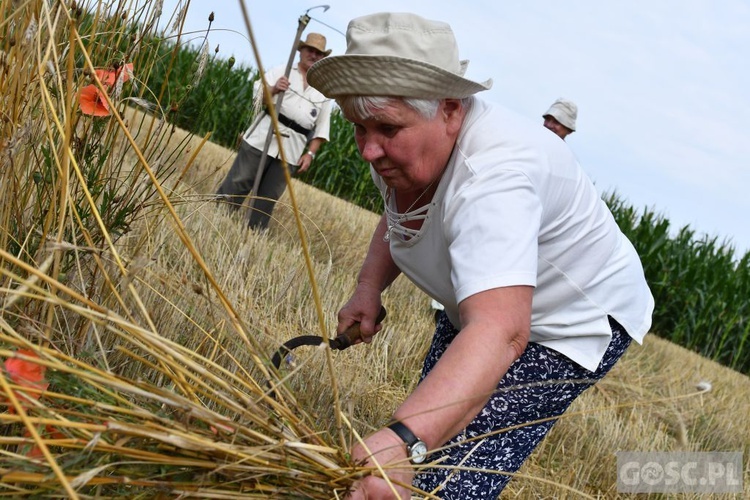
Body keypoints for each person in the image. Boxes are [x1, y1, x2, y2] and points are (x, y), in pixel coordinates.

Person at [307, 12, 654, 499]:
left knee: (457, 472)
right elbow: (399, 211)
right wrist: (369, 288)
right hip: (480, 299)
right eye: (358, 127)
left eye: (384, 127)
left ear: (449, 109)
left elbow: (502, 329)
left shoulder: (496, 175)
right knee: (437, 420)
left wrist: (403, 441)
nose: (368, 149)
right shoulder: (398, 146)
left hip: (569, 318)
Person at [216, 33, 333, 229]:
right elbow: (257, 96)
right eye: (310, 50)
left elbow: (321, 129)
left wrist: (310, 154)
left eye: (318, 53)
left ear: (322, 58)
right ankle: (217, 216)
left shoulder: (324, 91)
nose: (313, 55)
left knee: (269, 196)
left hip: (292, 149)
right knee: (239, 180)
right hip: (262, 136)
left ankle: (253, 234)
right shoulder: (284, 70)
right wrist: (273, 89)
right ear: (301, 51)